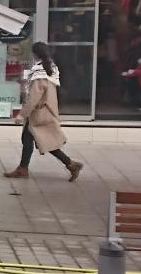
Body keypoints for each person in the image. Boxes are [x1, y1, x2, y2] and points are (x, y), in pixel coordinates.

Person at [6, 42, 84, 181]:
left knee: (45, 142)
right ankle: (23, 168)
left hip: (38, 114)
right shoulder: (50, 68)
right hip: (45, 111)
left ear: (35, 54)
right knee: (30, 140)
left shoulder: (39, 73)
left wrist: (22, 114)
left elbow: (34, 97)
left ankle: (70, 164)